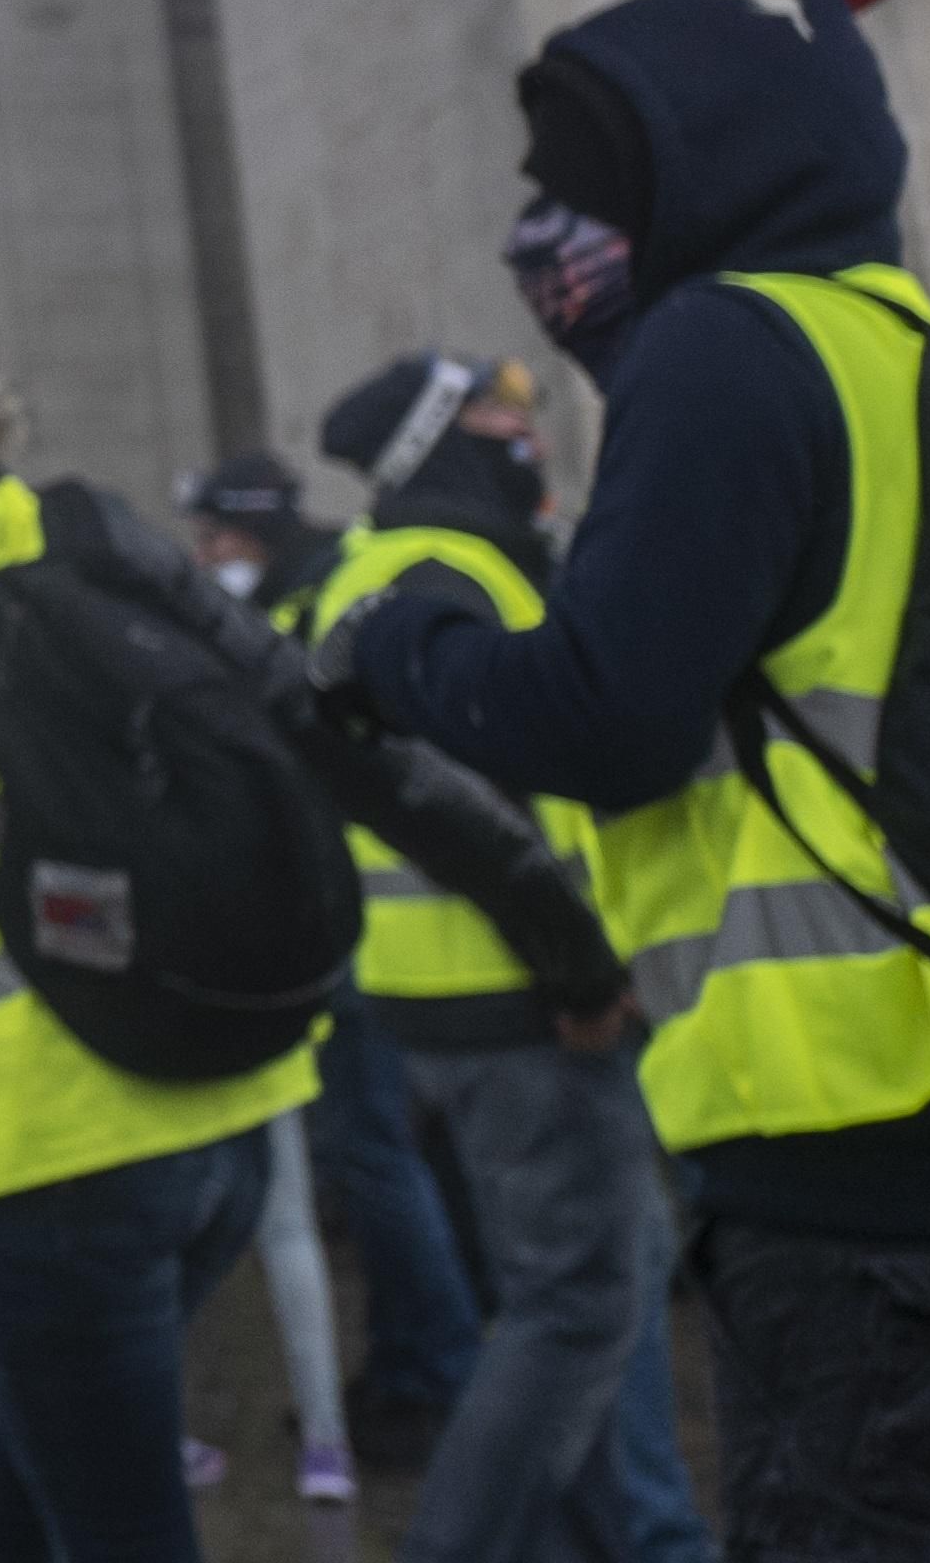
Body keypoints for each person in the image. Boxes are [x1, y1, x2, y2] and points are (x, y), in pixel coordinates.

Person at [324, 0, 930, 1560]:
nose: (543, 245)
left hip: (897, 1210)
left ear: (695, 186)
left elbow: (606, 718)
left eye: (579, 199)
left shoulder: (728, 347)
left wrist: (402, 637)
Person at [0, 280, 621, 1563]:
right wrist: (563, 934)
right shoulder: (75, 527)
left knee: (107, 1528)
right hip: (230, 1107)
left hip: (29, 1147)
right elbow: (340, 743)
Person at [291, 345, 663, 1560]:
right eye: (499, 415)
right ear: (435, 442)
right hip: (521, 997)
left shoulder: (382, 566)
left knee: (561, 1303)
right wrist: (583, 969)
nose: (526, 431)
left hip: (443, 992)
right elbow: (476, 815)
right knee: (579, 1306)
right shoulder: (445, 570)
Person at [187, 442, 482, 1457]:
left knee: (376, 1159)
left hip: (354, 921)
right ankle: (413, 1358)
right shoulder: (324, 584)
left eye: (217, 533)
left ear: (254, 528)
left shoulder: (302, 606)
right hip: (364, 920)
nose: (206, 551)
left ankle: (434, 1370)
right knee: (382, 1158)